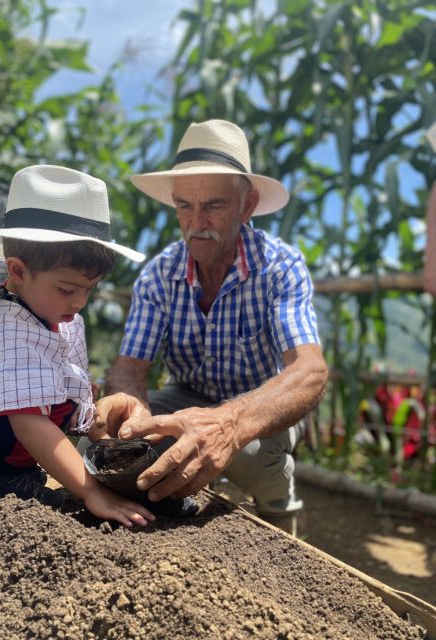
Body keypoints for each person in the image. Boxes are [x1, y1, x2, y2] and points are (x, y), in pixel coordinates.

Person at [91, 119, 328, 535]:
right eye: (185, 205)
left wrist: (229, 424)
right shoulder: (159, 274)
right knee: (108, 443)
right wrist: (130, 406)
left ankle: (279, 505)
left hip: (260, 401)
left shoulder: (280, 267)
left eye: (214, 205)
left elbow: (310, 371)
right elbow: (131, 365)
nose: (196, 221)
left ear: (247, 205)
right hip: (187, 394)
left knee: (251, 458)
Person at [0, 164, 156, 528]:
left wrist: (104, 438)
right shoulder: (3, 324)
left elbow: (73, 394)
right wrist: (91, 491)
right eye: (67, 289)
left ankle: (12, 478)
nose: (80, 302)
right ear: (17, 271)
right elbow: (30, 425)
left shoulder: (59, 317)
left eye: (89, 289)